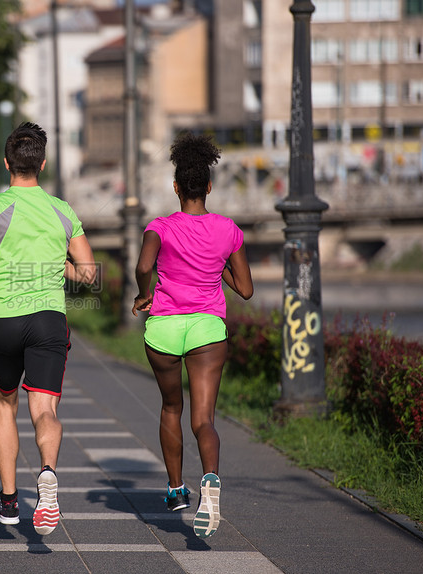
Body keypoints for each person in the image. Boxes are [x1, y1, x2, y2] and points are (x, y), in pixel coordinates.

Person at [0, 122, 96, 535]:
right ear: (43, 165)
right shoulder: (63, 211)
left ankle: (10, 499)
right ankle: (48, 472)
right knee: (45, 408)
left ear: (6, 164)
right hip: (49, 319)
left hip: (3, 320)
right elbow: (88, 273)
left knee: (5, 401)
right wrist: (61, 265)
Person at [131, 132, 253, 539]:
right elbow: (246, 288)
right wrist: (216, 266)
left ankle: (175, 488)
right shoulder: (228, 230)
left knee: (171, 409)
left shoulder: (159, 227)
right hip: (206, 329)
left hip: (164, 329)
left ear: (177, 187)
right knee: (204, 419)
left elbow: (144, 266)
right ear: (209, 187)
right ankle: (211, 481)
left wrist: (144, 293)